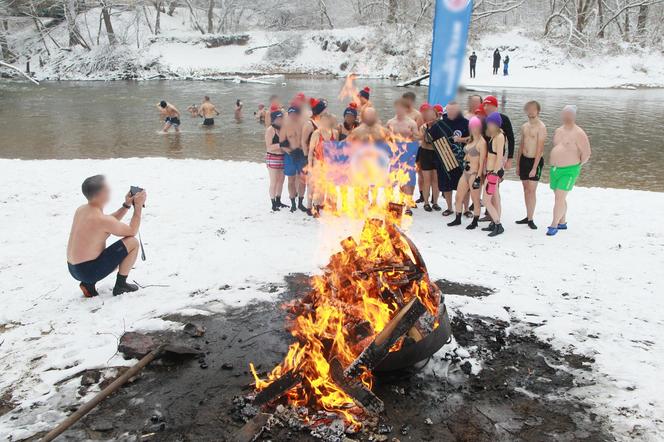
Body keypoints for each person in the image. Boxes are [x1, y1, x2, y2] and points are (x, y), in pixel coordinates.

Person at [67, 175, 146, 298]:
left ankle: (88, 285)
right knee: (132, 242)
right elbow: (132, 231)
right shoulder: (101, 219)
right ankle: (121, 285)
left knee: (114, 254)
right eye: (107, 189)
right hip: (88, 271)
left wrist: (126, 205)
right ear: (101, 194)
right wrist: (139, 207)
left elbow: (108, 222)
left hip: (74, 269)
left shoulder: (82, 210)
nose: (110, 191)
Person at [547, 105, 591, 236]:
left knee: (560, 197)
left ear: (573, 116)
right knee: (559, 197)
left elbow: (587, 153)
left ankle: (554, 224)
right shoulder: (558, 131)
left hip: (570, 170)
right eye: (564, 114)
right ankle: (562, 222)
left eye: (569, 115)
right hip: (555, 169)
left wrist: (577, 165)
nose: (566, 117)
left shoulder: (579, 133)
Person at [447, 116, 486, 229]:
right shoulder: (470, 139)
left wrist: (478, 177)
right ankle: (458, 218)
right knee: (458, 197)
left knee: (475, 199)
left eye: (476, 126)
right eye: (472, 126)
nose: (474, 129)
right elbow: (463, 141)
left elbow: (482, 162)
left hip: (474, 174)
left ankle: (475, 221)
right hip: (465, 172)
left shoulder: (482, 142)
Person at [516, 101, 546, 229]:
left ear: (538, 111)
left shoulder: (541, 127)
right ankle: (527, 215)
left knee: (531, 190)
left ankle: (531, 219)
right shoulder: (524, 126)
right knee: (525, 189)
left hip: (535, 161)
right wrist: (517, 165)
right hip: (524, 159)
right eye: (529, 109)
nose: (531, 112)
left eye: (533, 109)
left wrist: (534, 168)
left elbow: (540, 149)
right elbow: (521, 146)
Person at [387, 99, 420, 215]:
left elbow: (418, 137)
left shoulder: (411, 123)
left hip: (408, 153)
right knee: (392, 180)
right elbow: (386, 137)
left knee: (407, 181)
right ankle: (391, 203)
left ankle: (408, 207)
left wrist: (413, 134)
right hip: (395, 153)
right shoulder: (390, 122)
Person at [439, 101, 469, 216]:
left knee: (465, 185)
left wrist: (460, 140)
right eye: (449, 110)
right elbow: (431, 137)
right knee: (447, 185)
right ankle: (449, 207)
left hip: (463, 158)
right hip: (446, 158)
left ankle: (466, 209)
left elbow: (474, 138)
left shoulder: (466, 123)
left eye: (453, 110)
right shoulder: (441, 123)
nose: (451, 112)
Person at [308, 111, 338, 216]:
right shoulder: (316, 134)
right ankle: (315, 208)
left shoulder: (335, 133)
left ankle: (331, 207)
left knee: (331, 187)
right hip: (318, 163)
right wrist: (310, 166)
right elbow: (310, 151)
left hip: (331, 164)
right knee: (319, 188)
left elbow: (336, 149)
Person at [302, 98, 328, 213]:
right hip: (312, 157)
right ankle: (309, 206)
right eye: (324, 109)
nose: (326, 111)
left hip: (322, 157)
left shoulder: (322, 121)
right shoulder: (309, 123)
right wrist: (306, 158)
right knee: (312, 184)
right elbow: (303, 141)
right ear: (319, 111)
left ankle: (319, 203)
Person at [482, 112, 506, 237]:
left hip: (493, 173)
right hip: (491, 171)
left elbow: (499, 157)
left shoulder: (500, 137)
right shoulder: (494, 136)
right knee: (496, 199)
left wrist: (494, 174)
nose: (488, 125)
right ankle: (494, 222)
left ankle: (498, 224)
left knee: (486, 200)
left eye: (490, 123)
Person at [282, 102, 307, 212]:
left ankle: (300, 203)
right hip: (290, 156)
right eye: (290, 114)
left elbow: (306, 141)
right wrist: (290, 152)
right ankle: (293, 203)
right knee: (291, 180)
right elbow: (282, 144)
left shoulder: (304, 126)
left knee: (302, 180)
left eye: (295, 114)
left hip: (301, 155)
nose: (292, 116)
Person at [417, 103, 440, 212]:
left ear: (436, 116)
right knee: (427, 179)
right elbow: (422, 139)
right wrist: (428, 128)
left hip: (437, 153)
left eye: (433, 115)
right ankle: (426, 203)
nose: (431, 118)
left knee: (436, 180)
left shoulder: (440, 126)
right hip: (425, 153)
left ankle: (435, 202)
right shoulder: (423, 127)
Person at [482, 95, 515, 169]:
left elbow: (511, 139)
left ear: (495, 107)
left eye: (488, 105)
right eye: (484, 105)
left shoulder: (504, 119)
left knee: (494, 178)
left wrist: (509, 159)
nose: (486, 107)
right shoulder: (484, 120)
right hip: (485, 156)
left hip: (498, 156)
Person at [265, 105, 286, 211]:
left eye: (281, 118)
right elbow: (269, 147)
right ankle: (273, 203)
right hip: (272, 157)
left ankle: (279, 200)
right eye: (278, 119)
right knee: (274, 181)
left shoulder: (283, 129)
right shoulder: (270, 130)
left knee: (281, 181)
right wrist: (281, 144)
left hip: (283, 157)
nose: (280, 121)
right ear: (273, 120)